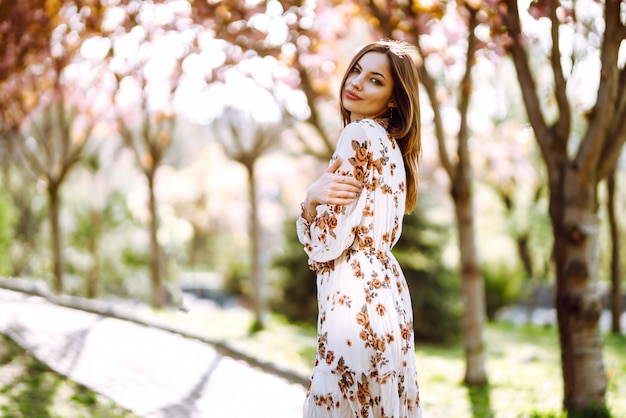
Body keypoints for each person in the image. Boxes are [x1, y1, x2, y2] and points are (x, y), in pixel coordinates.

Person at [296, 40, 423, 418]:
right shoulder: (392, 147)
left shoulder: (358, 136)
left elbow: (328, 242)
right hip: (387, 297)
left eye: (374, 80)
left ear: (393, 100)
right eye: (356, 70)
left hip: (353, 300)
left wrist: (310, 201)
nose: (356, 83)